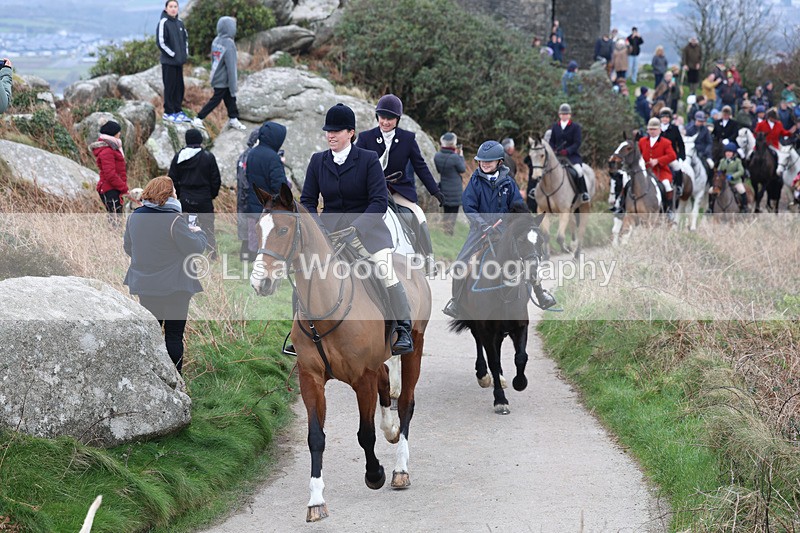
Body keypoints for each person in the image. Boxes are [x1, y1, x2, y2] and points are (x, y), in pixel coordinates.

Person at [301, 103, 414, 355]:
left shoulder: (368, 159)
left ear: (350, 133)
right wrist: (319, 229)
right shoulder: (318, 161)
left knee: (385, 270)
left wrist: (356, 228)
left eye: (336, 131)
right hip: (328, 233)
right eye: (328, 131)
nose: (330, 135)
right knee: (306, 271)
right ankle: (300, 332)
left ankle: (403, 329)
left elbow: (379, 202)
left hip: (368, 232)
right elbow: (307, 200)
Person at [442, 140, 553, 318]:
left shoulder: (509, 183)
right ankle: (456, 301)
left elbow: (518, 206)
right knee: (461, 263)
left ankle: (540, 292)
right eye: (482, 161)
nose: (485, 164)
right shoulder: (474, 182)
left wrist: (525, 222)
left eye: (489, 161)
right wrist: (483, 225)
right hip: (480, 232)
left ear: (499, 162)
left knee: (528, 258)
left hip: (506, 231)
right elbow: (469, 208)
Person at [124, 176, 207, 373]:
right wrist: (198, 232)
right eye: (174, 191)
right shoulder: (174, 220)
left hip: (145, 285)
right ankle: (175, 383)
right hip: (175, 286)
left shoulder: (134, 217)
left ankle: (149, 378)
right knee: (173, 337)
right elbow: (195, 248)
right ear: (168, 195)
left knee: (150, 335)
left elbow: (129, 248)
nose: (176, 194)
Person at [356, 94, 444, 273]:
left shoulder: (407, 139)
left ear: (397, 119)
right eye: (382, 117)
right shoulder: (365, 138)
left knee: (419, 215)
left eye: (390, 118)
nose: (385, 122)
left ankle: (428, 259)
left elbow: (420, 166)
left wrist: (435, 191)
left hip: (398, 191)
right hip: (372, 190)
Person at [168, 128, 221, 258]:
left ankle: (186, 255)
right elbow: (216, 180)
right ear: (200, 140)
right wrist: (211, 195)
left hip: (185, 199)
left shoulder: (179, 157)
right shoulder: (208, 157)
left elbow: (172, 179)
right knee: (208, 227)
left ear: (186, 140)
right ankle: (212, 255)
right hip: (204, 199)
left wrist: (179, 195)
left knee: (185, 227)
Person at [192, 17, 246, 131]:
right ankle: (199, 118)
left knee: (229, 99)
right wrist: (233, 86)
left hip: (215, 75)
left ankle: (233, 118)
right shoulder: (229, 44)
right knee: (217, 99)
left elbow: (213, 60)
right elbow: (231, 67)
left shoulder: (216, 40)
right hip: (223, 79)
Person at [245, 121, 288, 253]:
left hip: (253, 204)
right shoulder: (273, 158)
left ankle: (252, 263)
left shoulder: (252, 153)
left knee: (255, 243)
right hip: (269, 208)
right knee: (269, 246)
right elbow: (280, 186)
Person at [157, 0, 190, 123]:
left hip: (179, 62)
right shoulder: (163, 22)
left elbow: (185, 40)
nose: (173, 9)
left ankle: (177, 110)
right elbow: (161, 42)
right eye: (170, 6)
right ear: (166, 9)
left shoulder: (180, 23)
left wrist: (184, 54)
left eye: (175, 6)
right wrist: (173, 54)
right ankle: (168, 112)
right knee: (170, 87)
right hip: (169, 62)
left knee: (179, 87)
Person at [549, 103, 589, 204]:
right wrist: (553, 149)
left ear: (570, 115)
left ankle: (583, 193)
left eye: (566, 114)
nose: (564, 116)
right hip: (557, 156)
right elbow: (551, 141)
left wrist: (568, 151)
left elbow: (577, 143)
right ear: (559, 115)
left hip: (572, 156)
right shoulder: (555, 127)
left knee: (579, 171)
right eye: (562, 114)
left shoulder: (575, 127)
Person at [639, 117, 677, 217]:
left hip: (661, 171)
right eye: (650, 129)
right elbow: (638, 154)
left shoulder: (666, 142)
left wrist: (658, 161)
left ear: (660, 130)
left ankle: (668, 210)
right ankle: (622, 206)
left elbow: (672, 155)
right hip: (645, 171)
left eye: (654, 129)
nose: (652, 131)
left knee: (667, 185)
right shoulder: (642, 141)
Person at [91, 120, 128, 219]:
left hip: (114, 188)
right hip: (110, 189)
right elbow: (110, 174)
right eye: (118, 131)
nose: (119, 133)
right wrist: (123, 187)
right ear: (113, 133)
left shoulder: (112, 148)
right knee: (115, 219)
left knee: (116, 217)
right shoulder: (107, 151)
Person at [434, 132, 466, 236]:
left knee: (446, 211)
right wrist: (461, 155)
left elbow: (439, 170)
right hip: (455, 189)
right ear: (453, 143)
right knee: (454, 212)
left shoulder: (437, 156)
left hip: (444, 187)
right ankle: (449, 232)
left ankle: (445, 231)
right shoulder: (455, 157)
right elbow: (462, 169)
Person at [236, 129, 260, 260]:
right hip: (248, 199)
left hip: (242, 198)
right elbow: (246, 181)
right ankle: (250, 258)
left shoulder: (243, 155)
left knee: (246, 232)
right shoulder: (251, 156)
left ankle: (244, 258)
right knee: (251, 231)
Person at [658, 107, 686, 198]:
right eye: (663, 117)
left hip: (671, 156)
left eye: (667, 117)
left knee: (678, 168)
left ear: (669, 119)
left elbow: (680, 144)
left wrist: (681, 157)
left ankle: (679, 186)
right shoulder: (657, 128)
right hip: (658, 155)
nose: (665, 119)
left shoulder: (674, 129)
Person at [717, 143, 747, 212]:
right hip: (723, 182)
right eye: (727, 152)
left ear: (733, 153)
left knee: (742, 190)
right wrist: (720, 174)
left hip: (735, 181)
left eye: (730, 152)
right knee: (711, 190)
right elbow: (719, 170)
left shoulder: (737, 161)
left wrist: (733, 176)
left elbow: (741, 171)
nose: (728, 154)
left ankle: (744, 207)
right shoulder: (722, 161)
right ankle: (710, 207)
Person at [685, 110, 713, 183]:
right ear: (695, 120)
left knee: (710, 166)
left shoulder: (705, 130)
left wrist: (706, 151)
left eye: (701, 121)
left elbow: (709, 142)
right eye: (699, 121)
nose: (700, 123)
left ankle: (709, 183)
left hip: (703, 152)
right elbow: (687, 141)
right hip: (692, 151)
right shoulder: (689, 129)